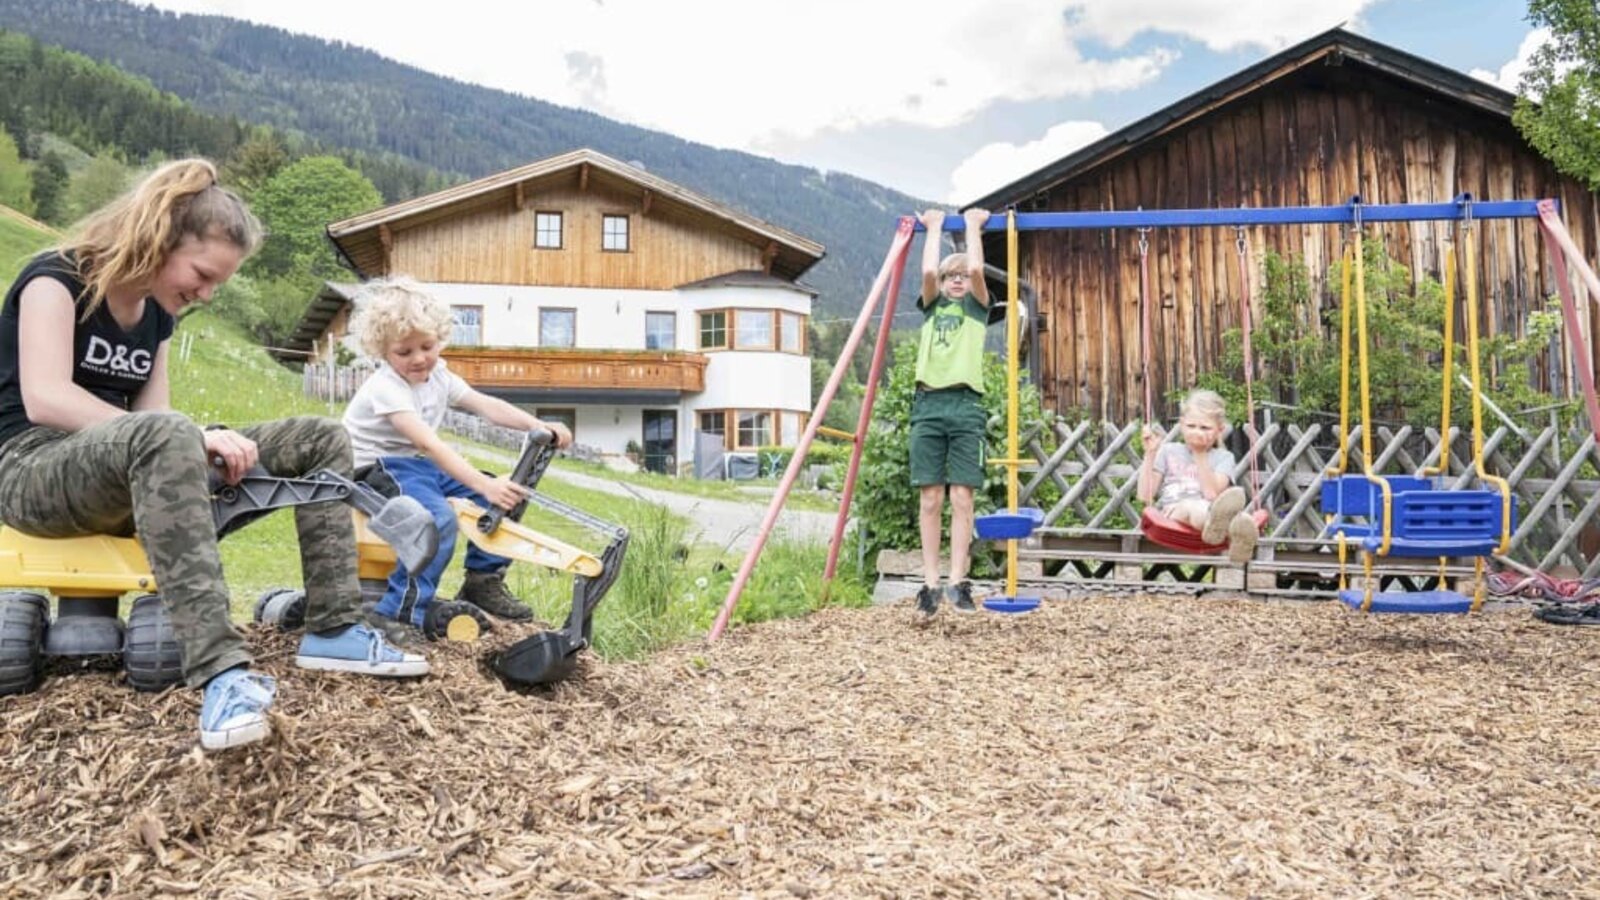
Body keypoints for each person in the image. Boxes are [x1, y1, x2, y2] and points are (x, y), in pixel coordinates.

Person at [0, 159, 426, 752]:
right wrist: (188, 437)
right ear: (158, 239)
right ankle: (223, 676)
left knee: (318, 438)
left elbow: (157, 421)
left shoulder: (156, 316)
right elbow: (45, 398)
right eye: (202, 274)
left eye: (217, 283)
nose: (206, 293)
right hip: (32, 468)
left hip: (127, 472)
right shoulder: (57, 278)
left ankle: (334, 628)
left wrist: (210, 443)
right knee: (171, 432)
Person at [340, 276, 573, 636]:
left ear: (440, 339)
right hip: (376, 467)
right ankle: (397, 612)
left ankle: (483, 580)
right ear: (383, 352)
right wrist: (484, 483)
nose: (419, 359)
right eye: (404, 352)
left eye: (427, 346)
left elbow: (485, 406)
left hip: (414, 466)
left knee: (502, 498)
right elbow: (431, 444)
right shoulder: (386, 388)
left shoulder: (439, 375)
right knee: (435, 520)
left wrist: (536, 424)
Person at [910, 207, 992, 616]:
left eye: (961, 276)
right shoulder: (930, 306)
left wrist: (973, 227)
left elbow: (977, 270)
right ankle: (929, 585)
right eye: (950, 276)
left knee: (962, 496)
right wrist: (935, 229)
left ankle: (959, 581)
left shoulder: (977, 308)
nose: (957, 280)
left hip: (965, 405)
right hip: (928, 404)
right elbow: (927, 274)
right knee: (930, 497)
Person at [1137, 388, 1258, 564]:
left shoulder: (1223, 458)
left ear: (1219, 430)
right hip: (1173, 513)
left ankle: (1238, 534)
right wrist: (1150, 454)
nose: (1197, 432)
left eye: (1205, 428)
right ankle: (1234, 529)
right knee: (1191, 507)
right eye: (1191, 426)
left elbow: (1211, 494)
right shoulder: (1168, 450)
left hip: (1209, 510)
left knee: (1209, 508)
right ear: (1181, 424)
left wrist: (1199, 454)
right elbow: (1144, 495)